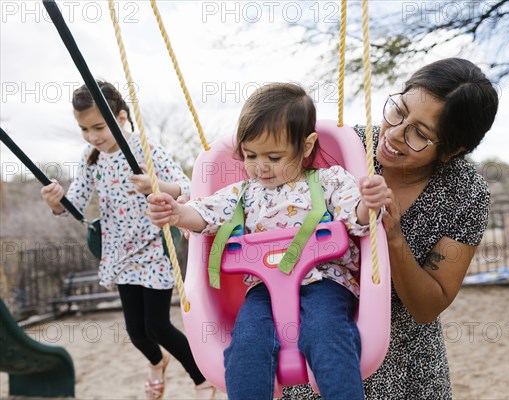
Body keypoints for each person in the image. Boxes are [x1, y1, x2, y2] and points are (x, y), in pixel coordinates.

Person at [147, 82, 389, 400]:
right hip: (263, 291)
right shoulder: (244, 193)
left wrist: (368, 203)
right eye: (250, 155)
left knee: (327, 334)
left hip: (325, 282)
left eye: (274, 157)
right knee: (246, 344)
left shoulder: (329, 180)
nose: (260, 166)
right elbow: (205, 213)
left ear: (305, 147)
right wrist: (178, 213)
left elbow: (354, 215)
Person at [282, 58, 499, 399]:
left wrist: (393, 237)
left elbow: (428, 306)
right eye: (398, 110)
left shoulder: (465, 192)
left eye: (419, 134)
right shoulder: (344, 148)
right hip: (316, 356)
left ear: (452, 150)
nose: (395, 134)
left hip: (404, 369)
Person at [40, 81, 218, 400]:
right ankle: (157, 361)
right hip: (120, 255)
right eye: (84, 129)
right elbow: (76, 204)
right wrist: (56, 201)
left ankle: (201, 378)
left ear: (121, 118)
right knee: (137, 333)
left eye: (99, 127)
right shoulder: (90, 157)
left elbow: (184, 186)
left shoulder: (143, 149)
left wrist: (155, 184)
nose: (93, 136)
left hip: (153, 248)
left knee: (158, 325)